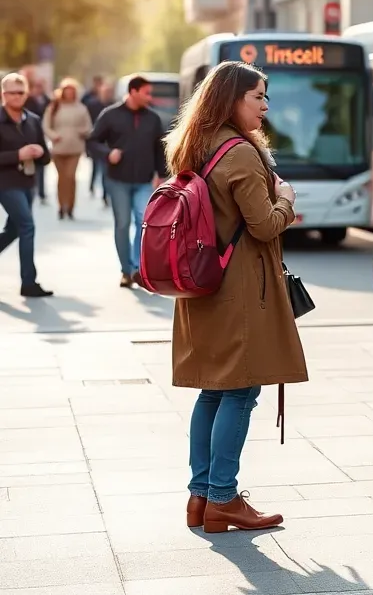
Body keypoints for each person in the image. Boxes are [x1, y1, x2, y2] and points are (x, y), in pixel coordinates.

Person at [165, 61, 306, 533]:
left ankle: (200, 496)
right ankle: (223, 498)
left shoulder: (191, 146)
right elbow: (264, 225)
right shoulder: (240, 155)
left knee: (214, 389)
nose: (266, 106)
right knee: (242, 388)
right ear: (231, 100)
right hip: (239, 290)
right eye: (258, 97)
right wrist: (285, 199)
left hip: (202, 285)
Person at [88, 75, 167, 288]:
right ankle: (125, 270)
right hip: (118, 181)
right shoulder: (110, 115)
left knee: (143, 221)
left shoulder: (153, 118)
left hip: (144, 181)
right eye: (146, 93)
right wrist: (107, 153)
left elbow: (160, 148)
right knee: (122, 224)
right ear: (133, 92)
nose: (150, 97)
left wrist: (161, 175)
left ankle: (137, 269)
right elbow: (92, 141)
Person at [0, 73, 53, 298]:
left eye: (21, 92)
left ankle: (29, 282)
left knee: (14, 229)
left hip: (27, 182)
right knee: (27, 226)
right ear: (3, 94)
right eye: (12, 92)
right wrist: (17, 155)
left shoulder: (33, 120)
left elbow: (46, 156)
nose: (17, 96)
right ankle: (28, 283)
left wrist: (40, 153)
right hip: (5, 182)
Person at [42, 78, 92, 220]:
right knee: (61, 178)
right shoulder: (54, 107)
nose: (69, 94)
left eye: (72, 92)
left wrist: (81, 131)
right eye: (67, 91)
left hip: (75, 147)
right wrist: (53, 135)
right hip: (58, 147)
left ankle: (70, 206)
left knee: (70, 177)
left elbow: (88, 126)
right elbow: (46, 125)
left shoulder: (81, 108)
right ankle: (61, 205)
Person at [82, 76, 111, 200]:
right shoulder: (91, 103)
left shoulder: (112, 105)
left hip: (108, 142)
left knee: (105, 169)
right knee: (95, 166)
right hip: (95, 139)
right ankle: (92, 186)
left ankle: (105, 194)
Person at [24, 74, 50, 205]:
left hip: (40, 135)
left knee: (40, 167)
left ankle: (41, 192)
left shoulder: (47, 100)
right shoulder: (27, 101)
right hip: (26, 138)